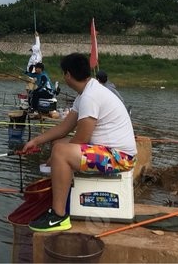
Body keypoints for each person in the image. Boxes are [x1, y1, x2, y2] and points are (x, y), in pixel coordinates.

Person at [22, 53, 136, 232]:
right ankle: (63, 200)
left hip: (120, 157)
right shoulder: (85, 94)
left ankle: (59, 216)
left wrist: (55, 156)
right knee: (58, 144)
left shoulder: (91, 96)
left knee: (60, 151)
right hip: (107, 151)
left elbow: (81, 139)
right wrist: (36, 140)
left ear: (68, 75)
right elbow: (64, 128)